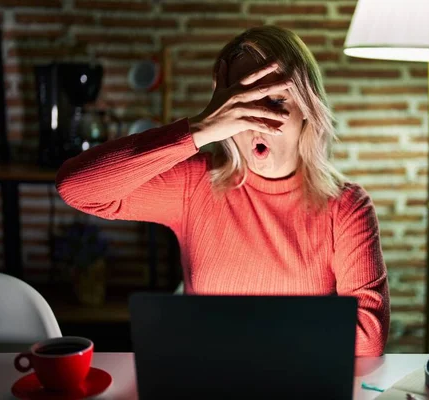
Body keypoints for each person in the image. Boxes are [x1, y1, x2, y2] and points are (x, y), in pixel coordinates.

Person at [56, 25, 390, 356]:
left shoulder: (346, 206)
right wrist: (199, 129)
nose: (256, 119)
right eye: (239, 103)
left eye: (274, 99)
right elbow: (76, 188)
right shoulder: (195, 184)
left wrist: (237, 331)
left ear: (307, 107)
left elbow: (369, 335)